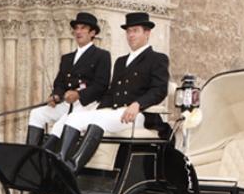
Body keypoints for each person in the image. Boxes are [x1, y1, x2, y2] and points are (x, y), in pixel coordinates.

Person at [56, 11, 169, 171]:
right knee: (74, 117)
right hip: (115, 112)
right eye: (128, 31)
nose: (131, 35)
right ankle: (60, 161)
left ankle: (73, 167)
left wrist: (138, 104)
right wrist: (99, 109)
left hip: (138, 115)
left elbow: (159, 90)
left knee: (97, 121)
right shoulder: (121, 62)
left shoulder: (157, 58)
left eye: (135, 30)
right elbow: (112, 92)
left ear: (147, 33)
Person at [25, 12, 111, 148]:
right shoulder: (67, 58)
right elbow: (59, 83)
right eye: (76, 28)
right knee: (37, 113)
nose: (78, 31)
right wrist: (56, 96)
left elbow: (101, 85)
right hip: (66, 104)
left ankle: (45, 156)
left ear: (92, 33)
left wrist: (78, 94)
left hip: (86, 105)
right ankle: (30, 152)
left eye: (83, 28)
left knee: (61, 124)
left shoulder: (102, 55)